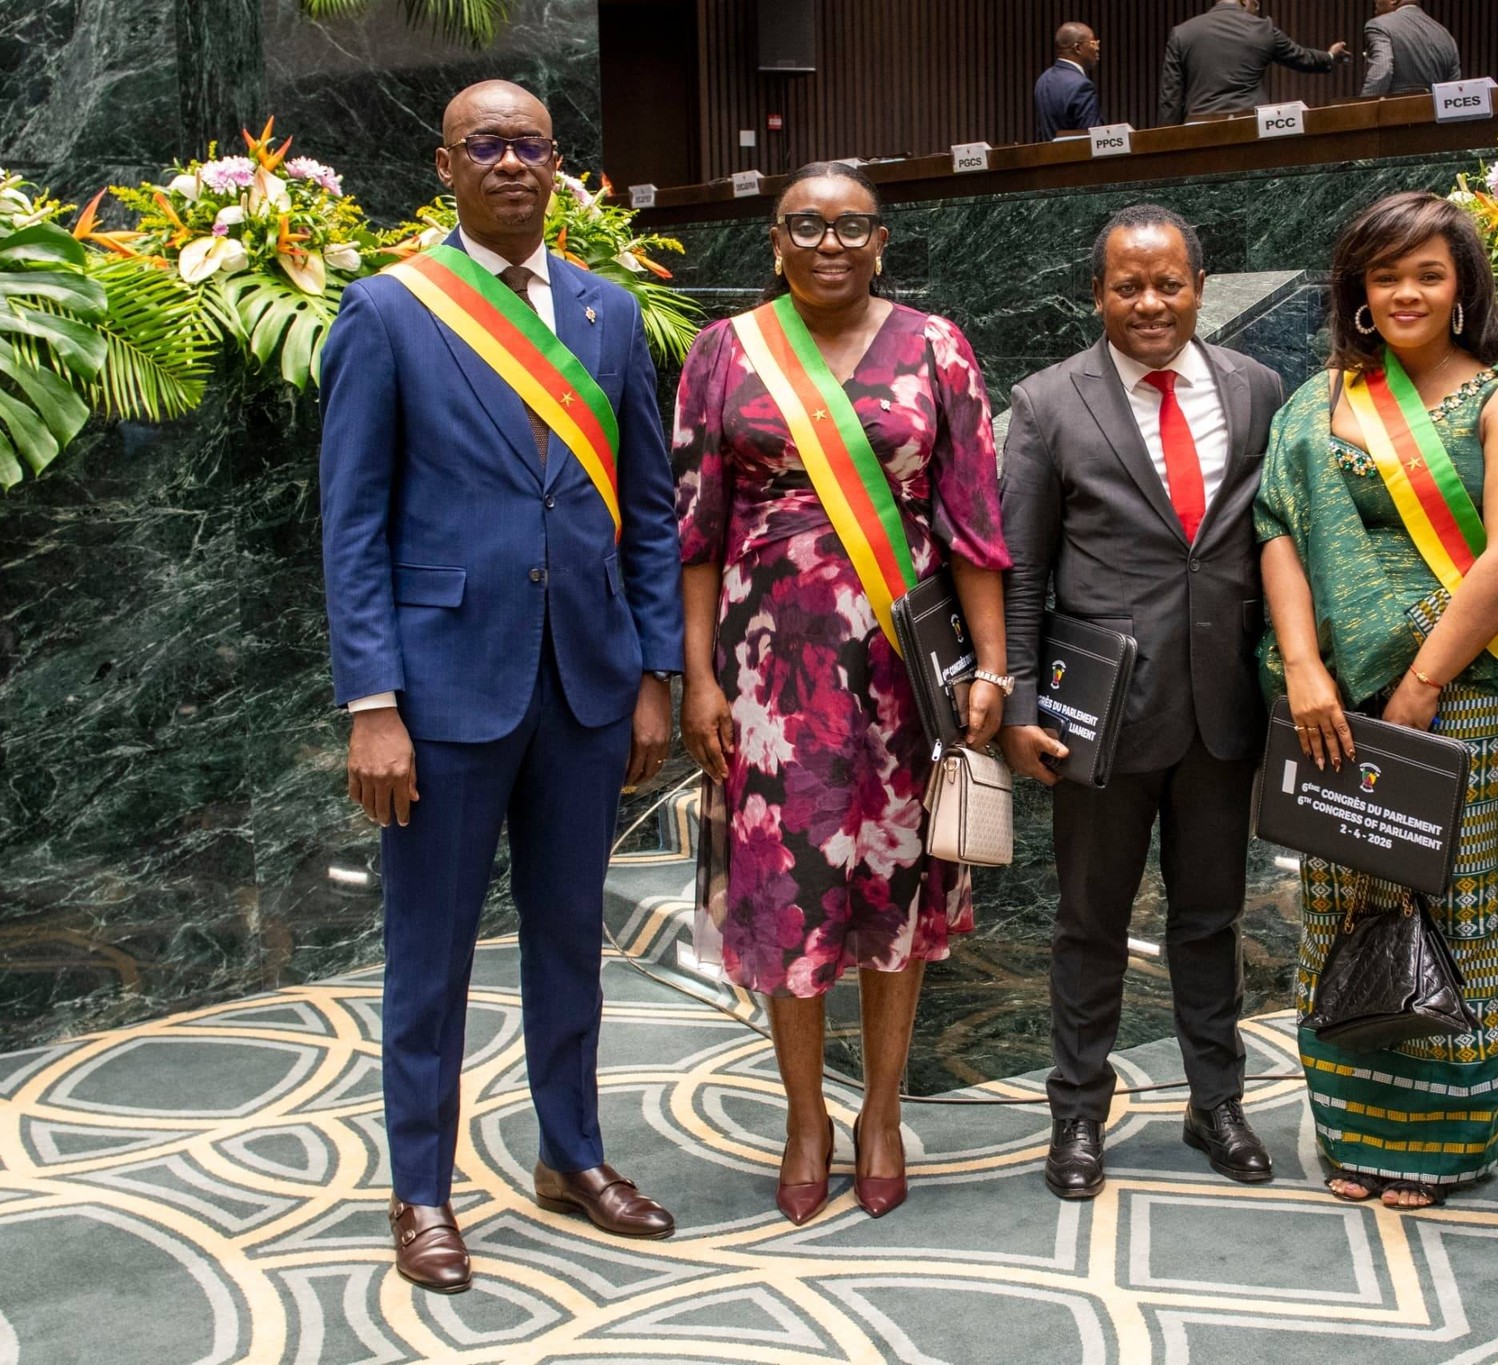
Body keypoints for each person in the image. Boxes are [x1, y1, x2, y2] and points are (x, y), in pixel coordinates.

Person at [321, 79, 685, 1293]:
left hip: (584, 686)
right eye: (488, 145)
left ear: (557, 164)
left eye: (530, 145)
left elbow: (645, 513)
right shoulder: (388, 313)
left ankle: (570, 1155)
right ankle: (419, 1187)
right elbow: (352, 524)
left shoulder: (610, 315)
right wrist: (372, 702)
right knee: (428, 955)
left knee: (570, 943)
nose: (512, 164)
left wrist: (650, 674)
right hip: (440, 693)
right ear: (446, 165)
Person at [673, 161, 1011, 1228]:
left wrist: (989, 667)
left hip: (903, 667)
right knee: (790, 889)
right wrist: (694, 679)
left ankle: (876, 1111)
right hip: (767, 670)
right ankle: (805, 1116)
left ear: (881, 241)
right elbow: (690, 533)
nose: (829, 242)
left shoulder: (937, 346)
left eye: (850, 225)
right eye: (805, 225)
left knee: (894, 882)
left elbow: (974, 527)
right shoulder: (723, 353)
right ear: (774, 242)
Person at [1256, 191, 1498, 1209]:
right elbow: (1276, 528)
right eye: (1385, 275)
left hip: (1457, 692)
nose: (1406, 292)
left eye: (1427, 272)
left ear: (1463, 284)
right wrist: (1301, 665)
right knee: (1338, 909)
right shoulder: (1318, 398)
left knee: (1450, 907)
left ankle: (1435, 1145)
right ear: (1358, 292)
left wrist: (1422, 679)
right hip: (1329, 701)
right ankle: (1351, 1129)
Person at [998, 205, 1288, 1201]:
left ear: (1198, 287)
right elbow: (1023, 568)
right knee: (1088, 921)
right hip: (1099, 715)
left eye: (1166, 284)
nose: (1149, 303)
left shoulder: (1255, 389)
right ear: (1097, 295)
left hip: (1222, 711)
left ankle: (1217, 1103)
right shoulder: (1045, 403)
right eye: (1128, 285)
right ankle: (1076, 1114)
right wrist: (1019, 701)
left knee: (1211, 918)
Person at [1159, 0, 1350, 125]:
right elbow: (1303, 58)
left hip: (1198, 125)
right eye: (1256, 5)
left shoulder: (1182, 33)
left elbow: (1170, 97)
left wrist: (1166, 140)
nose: (1257, 12)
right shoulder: (1262, 28)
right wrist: (1330, 56)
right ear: (1245, 1)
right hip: (1250, 123)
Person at [1358, 0, 1461, 98]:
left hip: (1395, 112)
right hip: (1435, 113)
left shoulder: (1379, 25)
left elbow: (1382, 70)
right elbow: (1453, 86)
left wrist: (1362, 111)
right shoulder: (1444, 34)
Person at [1034, 21, 1102, 141]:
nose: (1097, 48)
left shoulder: (1043, 80)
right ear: (1077, 48)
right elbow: (1091, 140)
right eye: (1093, 43)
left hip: (1049, 158)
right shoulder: (1082, 86)